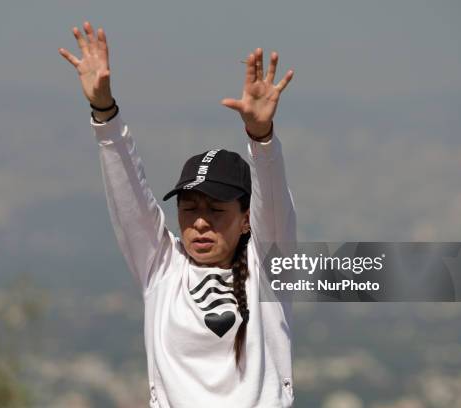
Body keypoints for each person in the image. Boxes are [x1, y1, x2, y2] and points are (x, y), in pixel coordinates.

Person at [59, 21, 297, 408]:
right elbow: (130, 199)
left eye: (216, 210)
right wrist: (104, 112)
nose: (200, 222)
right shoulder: (162, 267)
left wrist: (262, 138)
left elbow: (273, 201)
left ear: (246, 219)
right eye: (189, 209)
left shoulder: (268, 267)